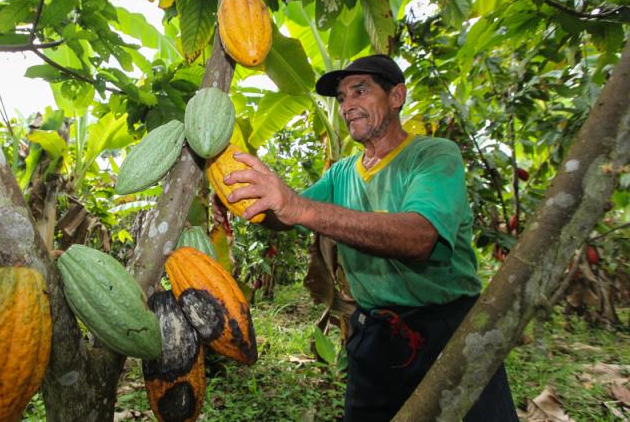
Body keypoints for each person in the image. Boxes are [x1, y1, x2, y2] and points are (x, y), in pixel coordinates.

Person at [212, 54, 518, 421]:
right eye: (341, 98)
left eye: (360, 91)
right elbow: (288, 216)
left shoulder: (433, 156)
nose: (347, 106)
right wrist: (251, 200)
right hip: (375, 334)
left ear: (396, 96)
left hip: (449, 332)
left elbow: (419, 238)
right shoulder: (342, 173)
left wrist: (297, 206)